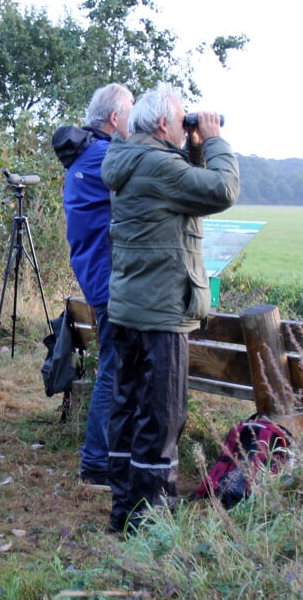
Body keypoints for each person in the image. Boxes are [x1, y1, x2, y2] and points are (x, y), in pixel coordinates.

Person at [100, 83, 239, 533]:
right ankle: (151, 521)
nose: (188, 128)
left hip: (130, 309)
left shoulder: (130, 161)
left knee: (128, 412)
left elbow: (184, 193)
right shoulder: (158, 165)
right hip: (160, 316)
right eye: (183, 122)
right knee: (162, 419)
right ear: (163, 124)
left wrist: (193, 149)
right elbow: (221, 189)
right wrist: (214, 140)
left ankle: (125, 510)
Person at [56, 83, 134, 490]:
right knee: (114, 369)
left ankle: (108, 454)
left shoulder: (81, 157)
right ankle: (96, 463)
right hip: (111, 280)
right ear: (117, 118)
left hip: (93, 274)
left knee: (115, 367)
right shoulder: (106, 157)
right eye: (132, 114)